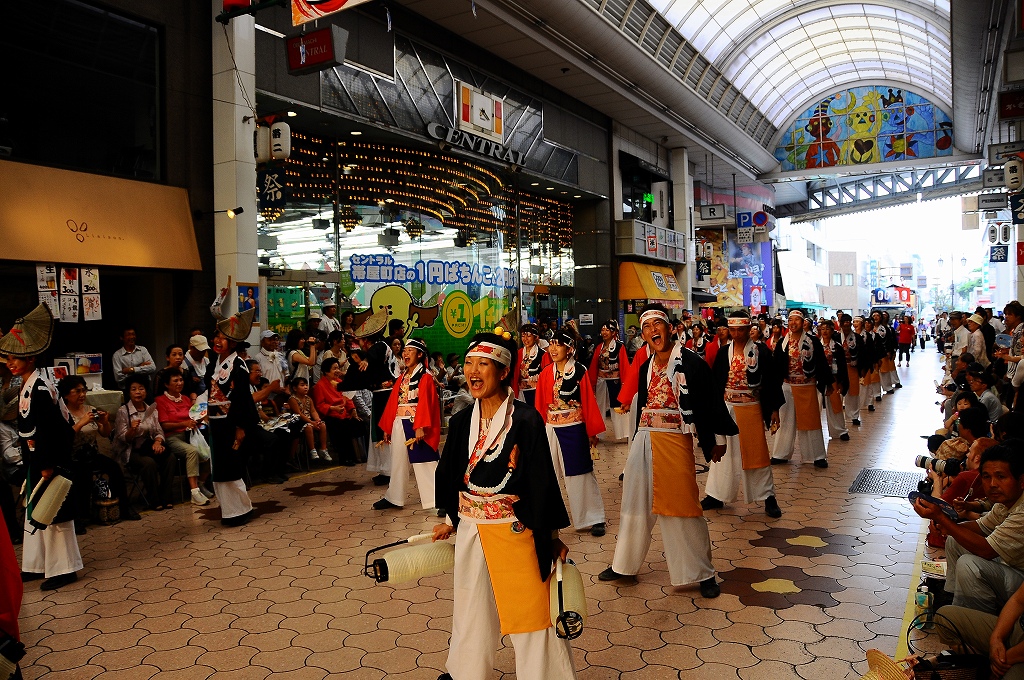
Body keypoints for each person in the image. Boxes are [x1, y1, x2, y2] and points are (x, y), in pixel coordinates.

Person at [432, 332, 575, 680]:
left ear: (503, 371)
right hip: (471, 527)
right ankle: (466, 672)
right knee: (471, 606)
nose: (473, 371)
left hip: (515, 528)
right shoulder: (463, 419)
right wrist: (450, 518)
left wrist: (551, 535)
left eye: (483, 364)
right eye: (469, 363)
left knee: (530, 611)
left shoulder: (526, 420)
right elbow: (450, 471)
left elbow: (541, 480)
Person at [598, 305, 736, 598]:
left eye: (657, 325)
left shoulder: (691, 362)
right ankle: (624, 565)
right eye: (646, 327)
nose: (652, 331)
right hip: (645, 436)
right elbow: (641, 404)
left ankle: (702, 572)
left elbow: (710, 402)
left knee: (684, 504)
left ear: (670, 328)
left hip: (675, 438)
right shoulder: (646, 365)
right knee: (634, 502)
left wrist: (716, 439)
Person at [3, 304, 82, 590]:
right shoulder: (27, 385)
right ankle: (36, 564)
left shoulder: (39, 388)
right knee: (35, 511)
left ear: (31, 358)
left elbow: (50, 431)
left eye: (16, 358)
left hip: (49, 459)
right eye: (9, 358)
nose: (11, 363)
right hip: (34, 460)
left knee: (54, 512)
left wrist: (48, 464)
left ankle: (65, 568)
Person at [913, 441, 1024, 615]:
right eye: (986, 477)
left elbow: (986, 550)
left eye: (1001, 477)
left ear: (1021, 480)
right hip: (1009, 567)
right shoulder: (1004, 502)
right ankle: (952, 598)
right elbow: (981, 526)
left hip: (1021, 583)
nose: (993, 484)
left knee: (970, 564)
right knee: (954, 541)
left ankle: (980, 620)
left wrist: (942, 518)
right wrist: (947, 526)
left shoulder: (1022, 511)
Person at [703, 311, 784, 518]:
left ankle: (768, 496)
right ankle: (716, 494)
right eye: (733, 330)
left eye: (741, 329)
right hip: (727, 407)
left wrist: (774, 409)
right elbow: (714, 384)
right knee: (723, 453)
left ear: (749, 329)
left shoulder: (761, 352)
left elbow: (773, 382)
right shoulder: (723, 353)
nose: (737, 334)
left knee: (756, 453)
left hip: (751, 407)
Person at [535, 327, 607, 536]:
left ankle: (593, 517)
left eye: (559, 344)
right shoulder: (546, 373)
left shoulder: (580, 371)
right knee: (547, 473)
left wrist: (591, 431)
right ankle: (547, 516)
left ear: (570, 349)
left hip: (574, 427)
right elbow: (540, 404)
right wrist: (538, 430)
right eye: (551, 344)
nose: (553, 348)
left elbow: (588, 402)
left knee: (580, 473)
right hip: (550, 427)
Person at [60, 375, 139, 529]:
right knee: (82, 476)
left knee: (114, 468)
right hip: (74, 456)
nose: (82, 395)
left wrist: (104, 423)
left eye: (84, 390)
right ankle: (81, 516)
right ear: (66, 395)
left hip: (91, 453)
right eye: (77, 391)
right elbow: (65, 438)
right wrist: (81, 422)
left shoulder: (90, 410)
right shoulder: (64, 414)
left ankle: (124, 508)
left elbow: (104, 433)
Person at [373, 338, 441, 511]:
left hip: (416, 423)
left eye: (410, 350)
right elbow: (393, 403)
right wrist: (388, 427)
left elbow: (426, 403)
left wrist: (420, 426)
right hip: (399, 422)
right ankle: (394, 497)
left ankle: (438, 500)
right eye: (405, 350)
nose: (405, 353)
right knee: (397, 462)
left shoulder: (425, 377)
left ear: (419, 354)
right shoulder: (402, 377)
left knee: (425, 462)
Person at [208, 308, 258, 526]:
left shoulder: (239, 368)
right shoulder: (213, 364)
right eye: (217, 336)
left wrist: (240, 426)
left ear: (233, 343)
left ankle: (241, 509)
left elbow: (242, 400)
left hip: (231, 424)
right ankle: (228, 511)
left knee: (231, 467)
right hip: (215, 423)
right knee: (219, 468)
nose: (218, 341)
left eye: (223, 338)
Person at [770, 310, 832, 467]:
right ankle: (780, 453)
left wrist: (827, 383)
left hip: (806, 385)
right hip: (787, 385)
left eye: (797, 320)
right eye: (791, 320)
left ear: (803, 322)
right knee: (786, 420)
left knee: (810, 420)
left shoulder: (812, 341)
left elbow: (822, 363)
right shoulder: (783, 343)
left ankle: (816, 456)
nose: (793, 323)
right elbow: (776, 367)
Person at [112, 375, 177, 512]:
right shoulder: (123, 411)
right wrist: (132, 430)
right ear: (129, 392)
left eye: (141, 389)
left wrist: (158, 442)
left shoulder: (151, 409)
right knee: (149, 463)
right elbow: (122, 438)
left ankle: (166, 497)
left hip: (148, 447)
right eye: (134, 389)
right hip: (130, 451)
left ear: (146, 391)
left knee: (170, 458)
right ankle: (154, 500)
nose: (138, 392)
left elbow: (158, 431)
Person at [155, 367, 213, 506]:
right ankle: (194, 493)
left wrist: (199, 419)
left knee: (208, 452)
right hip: (172, 437)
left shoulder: (186, 399)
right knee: (192, 451)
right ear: (166, 384)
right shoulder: (160, 400)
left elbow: (193, 417)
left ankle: (201, 484)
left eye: (181, 380)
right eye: (175, 380)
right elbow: (164, 425)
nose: (179, 383)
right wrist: (184, 423)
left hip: (190, 435)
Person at [354, 308, 399, 484]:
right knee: (381, 432)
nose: (361, 345)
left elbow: (371, 356)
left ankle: (388, 471)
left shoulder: (379, 347)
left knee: (383, 432)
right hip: (382, 395)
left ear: (367, 340)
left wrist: (365, 361)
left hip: (384, 396)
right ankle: (386, 470)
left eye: (362, 341)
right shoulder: (382, 348)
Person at [313, 357, 359, 466]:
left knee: (357, 424)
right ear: (326, 371)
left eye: (338, 368)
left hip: (344, 413)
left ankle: (355, 456)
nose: (337, 371)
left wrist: (353, 409)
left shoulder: (339, 382)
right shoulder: (320, 386)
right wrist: (333, 408)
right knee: (340, 428)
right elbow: (320, 405)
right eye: (334, 368)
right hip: (330, 415)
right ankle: (344, 458)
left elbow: (347, 397)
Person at [589, 319, 630, 440]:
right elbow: (594, 366)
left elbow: (624, 365)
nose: (604, 332)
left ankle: (624, 433)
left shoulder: (619, 347)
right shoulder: (599, 347)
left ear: (613, 332)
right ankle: (598, 433)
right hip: (601, 379)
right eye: (603, 330)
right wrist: (592, 382)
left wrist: (625, 383)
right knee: (599, 406)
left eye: (607, 330)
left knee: (617, 406)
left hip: (615, 380)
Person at [818, 320, 851, 442]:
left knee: (835, 406)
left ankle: (840, 430)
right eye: (823, 328)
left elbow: (842, 367)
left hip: (833, 379)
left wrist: (842, 382)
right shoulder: (816, 345)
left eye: (828, 328)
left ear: (832, 331)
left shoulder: (837, 347)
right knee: (815, 406)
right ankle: (815, 432)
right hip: (818, 381)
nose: (825, 331)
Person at [287, 377, 329, 463]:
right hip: (299, 422)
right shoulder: (292, 399)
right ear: (295, 388)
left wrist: (317, 420)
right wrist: (311, 422)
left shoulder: (308, 398)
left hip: (310, 420)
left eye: (306, 385)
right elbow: (299, 414)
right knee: (308, 427)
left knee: (322, 425)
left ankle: (323, 449)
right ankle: (312, 450)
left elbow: (313, 411)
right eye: (302, 385)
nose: (306, 387)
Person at [840, 314, 867, 426]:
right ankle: (839, 417)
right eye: (844, 322)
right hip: (839, 368)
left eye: (848, 322)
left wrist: (862, 368)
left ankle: (853, 416)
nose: (846, 324)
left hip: (852, 367)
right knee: (838, 392)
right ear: (841, 324)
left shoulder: (857, 337)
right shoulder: (836, 337)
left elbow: (862, 354)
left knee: (853, 392)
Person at [515, 324, 550, 408]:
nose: (525, 339)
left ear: (536, 337)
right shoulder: (518, 353)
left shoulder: (543, 354)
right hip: (520, 391)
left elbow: (548, 375)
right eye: (523, 336)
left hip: (536, 391)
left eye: (529, 336)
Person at [255, 330, 289, 402]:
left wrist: (286, 388)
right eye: (270, 339)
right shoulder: (258, 358)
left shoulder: (280, 356)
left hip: (281, 394)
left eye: (275, 339)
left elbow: (286, 374)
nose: (273, 341)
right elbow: (258, 380)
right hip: (266, 396)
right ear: (262, 342)